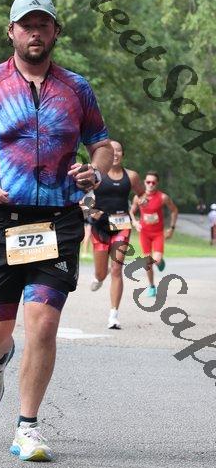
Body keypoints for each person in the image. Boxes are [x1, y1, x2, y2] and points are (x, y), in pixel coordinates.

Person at [0, 0, 113, 461]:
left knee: (43, 321)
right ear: (11, 31)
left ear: (55, 31)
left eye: (43, 25)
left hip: (56, 221)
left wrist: (94, 171)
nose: (35, 33)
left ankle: (28, 427)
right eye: (26, 25)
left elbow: (101, 143)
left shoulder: (77, 88)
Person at [88, 140, 145, 329]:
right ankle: (99, 276)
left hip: (121, 225)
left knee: (116, 269)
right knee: (101, 273)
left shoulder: (132, 176)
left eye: (118, 150)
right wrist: (91, 212)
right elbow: (81, 198)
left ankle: (113, 315)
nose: (114, 154)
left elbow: (141, 194)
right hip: (100, 227)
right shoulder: (96, 175)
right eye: (111, 151)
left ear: (123, 154)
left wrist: (141, 204)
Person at [130, 171, 178, 297]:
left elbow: (174, 210)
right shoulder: (138, 197)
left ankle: (159, 262)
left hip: (158, 234)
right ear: (144, 182)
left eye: (153, 182)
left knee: (156, 260)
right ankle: (151, 286)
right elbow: (131, 212)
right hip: (144, 233)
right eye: (148, 182)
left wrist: (172, 228)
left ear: (157, 183)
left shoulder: (163, 197)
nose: (150, 184)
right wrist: (134, 222)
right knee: (147, 262)